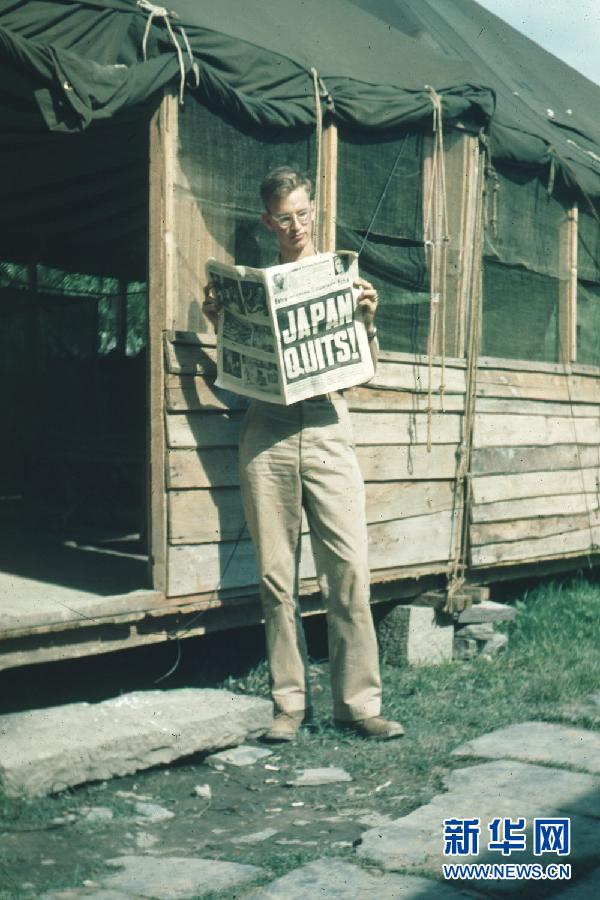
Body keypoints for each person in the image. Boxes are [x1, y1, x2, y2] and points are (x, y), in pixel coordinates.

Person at [204, 167, 403, 742]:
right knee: (275, 577)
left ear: (315, 210)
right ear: (269, 222)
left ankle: (359, 705)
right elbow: (233, 378)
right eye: (284, 218)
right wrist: (223, 324)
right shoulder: (259, 283)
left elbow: (364, 371)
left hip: (326, 426)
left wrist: (367, 321)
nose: (296, 226)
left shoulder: (341, 276)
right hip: (265, 431)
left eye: (303, 213)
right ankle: (288, 706)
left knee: (347, 571)